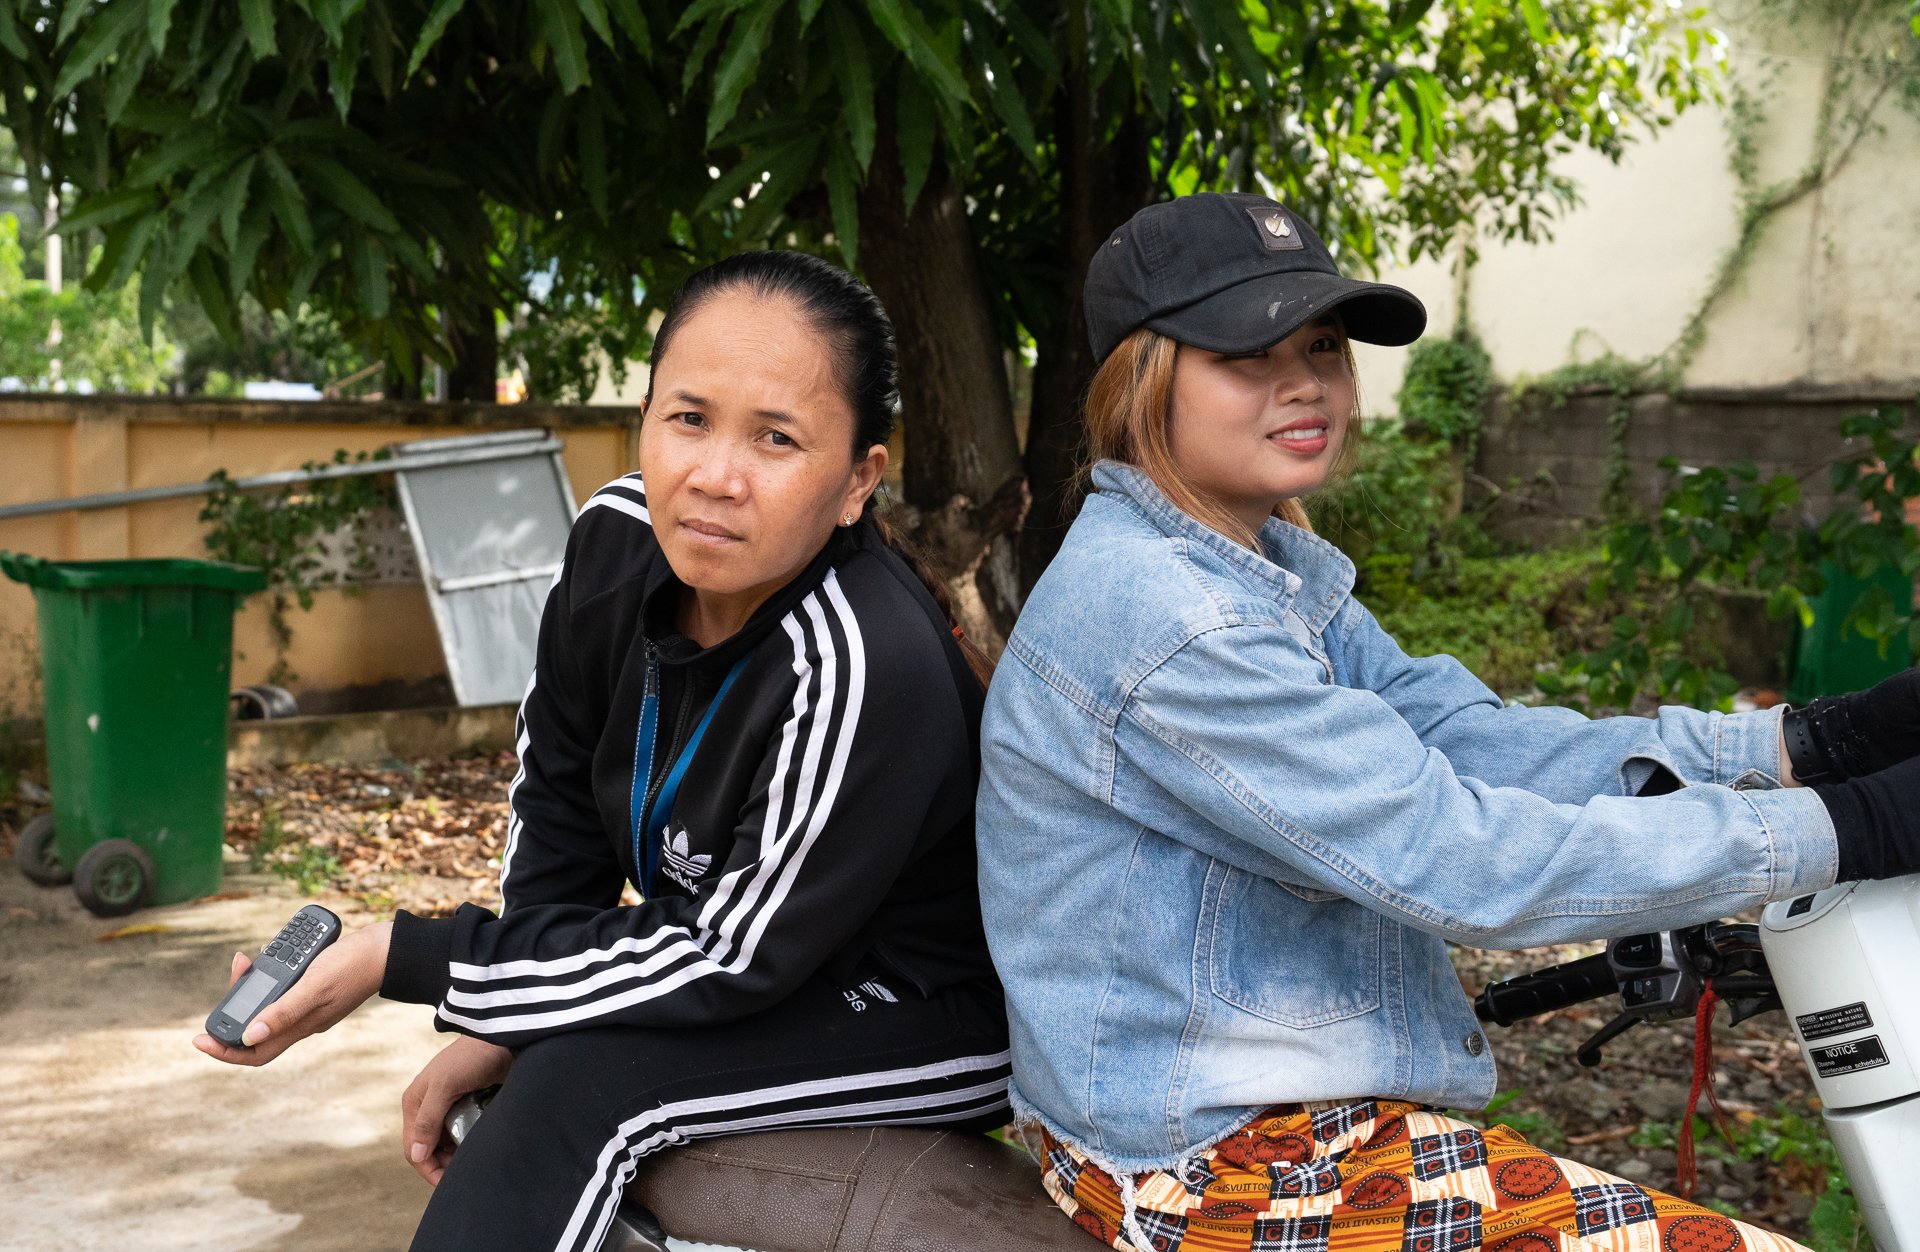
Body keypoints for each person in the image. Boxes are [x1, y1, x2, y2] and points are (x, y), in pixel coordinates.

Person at [975, 192, 1920, 1252]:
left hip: (1275, 1123)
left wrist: (1808, 743)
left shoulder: (1260, 567)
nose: (1307, 383)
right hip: (1210, 1165)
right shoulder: (1173, 617)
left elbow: (1473, 740)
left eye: (1323, 346)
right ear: (1141, 383)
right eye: (1249, 353)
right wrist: (1847, 827)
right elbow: (1457, 858)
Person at [195, 251, 1012, 1252]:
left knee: (591, 1088)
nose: (715, 474)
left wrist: (404, 956)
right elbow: (559, 811)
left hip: (917, 1001)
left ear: (858, 481)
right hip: (745, 944)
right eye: (688, 417)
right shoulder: (616, 540)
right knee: (551, 1064)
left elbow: (730, 955)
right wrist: (504, 1024)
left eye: (778, 438)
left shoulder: (858, 655)